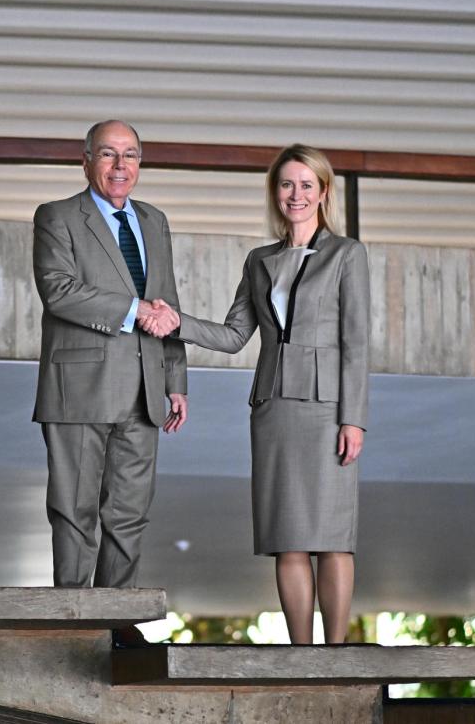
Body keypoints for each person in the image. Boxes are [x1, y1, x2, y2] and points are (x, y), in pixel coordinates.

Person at [142, 144, 369, 644]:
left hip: (328, 408)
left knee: (333, 536)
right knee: (287, 537)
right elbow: (233, 335)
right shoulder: (259, 260)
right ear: (275, 192)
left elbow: (356, 342)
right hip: (272, 408)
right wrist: (178, 323)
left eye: (306, 185)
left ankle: (337, 654)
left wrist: (354, 418)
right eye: (287, 184)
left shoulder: (347, 254)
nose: (296, 194)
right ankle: (302, 656)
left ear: (323, 192)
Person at [32, 121, 188, 616]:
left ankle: (115, 621)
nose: (121, 166)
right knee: (74, 512)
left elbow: (168, 301)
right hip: (79, 388)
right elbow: (59, 291)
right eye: (108, 154)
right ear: (85, 161)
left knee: (129, 514)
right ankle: (74, 620)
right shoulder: (57, 216)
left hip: (146, 388)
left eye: (131, 155)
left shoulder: (155, 220)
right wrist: (134, 310)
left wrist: (175, 379)